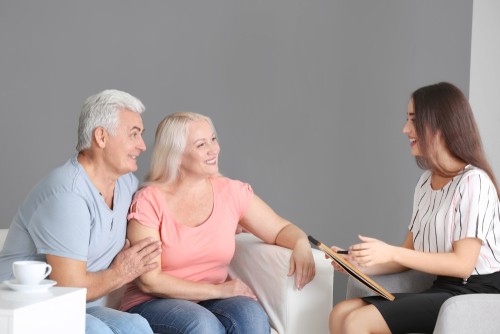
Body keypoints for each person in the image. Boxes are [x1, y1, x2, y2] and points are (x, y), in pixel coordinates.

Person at [118, 111, 316, 333]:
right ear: (177, 154)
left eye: (213, 139)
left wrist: (300, 242)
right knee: (202, 325)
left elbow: (280, 229)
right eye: (201, 144)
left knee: (252, 315)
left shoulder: (231, 192)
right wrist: (220, 291)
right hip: (153, 302)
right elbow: (150, 281)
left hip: (211, 299)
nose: (214, 149)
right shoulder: (150, 200)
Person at [329, 82, 500, 334]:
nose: (405, 129)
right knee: (340, 313)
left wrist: (390, 252)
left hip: (475, 292)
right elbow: (405, 255)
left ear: (440, 125)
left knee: (357, 322)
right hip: (442, 289)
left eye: (413, 120)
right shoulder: (425, 182)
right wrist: (357, 264)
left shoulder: (474, 182)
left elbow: (463, 264)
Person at [0, 89, 162, 334]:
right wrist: (122, 271)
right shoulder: (67, 193)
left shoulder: (126, 182)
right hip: (31, 308)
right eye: (134, 134)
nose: (141, 145)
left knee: (136, 326)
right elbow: (69, 287)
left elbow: (159, 208)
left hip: (82, 305)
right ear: (102, 137)